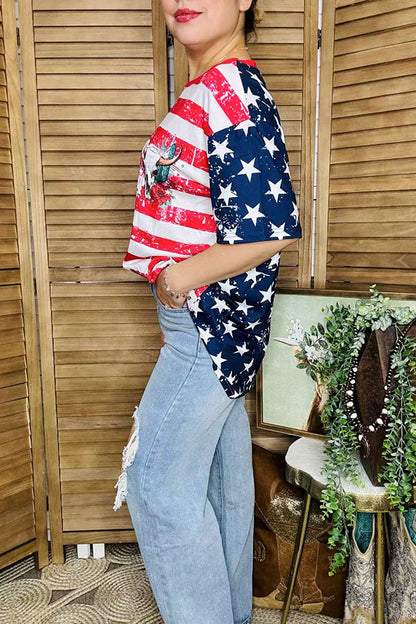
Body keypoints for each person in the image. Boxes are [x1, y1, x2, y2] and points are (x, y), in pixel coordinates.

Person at [113, 1, 302, 622]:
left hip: (207, 325)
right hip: (211, 322)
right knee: (221, 481)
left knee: (158, 483)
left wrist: (177, 278)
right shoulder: (214, 88)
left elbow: (271, 228)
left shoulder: (231, 91)